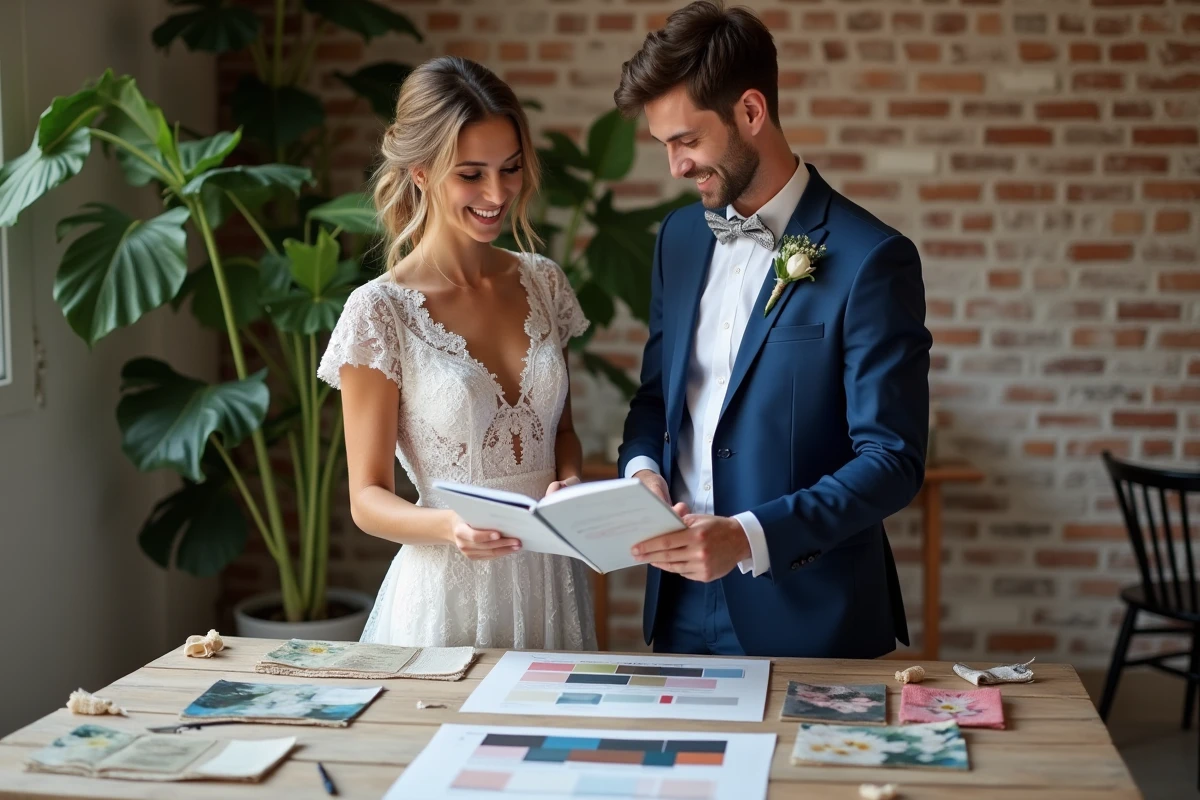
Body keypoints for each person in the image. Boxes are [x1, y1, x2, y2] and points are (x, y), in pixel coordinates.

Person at [614, 1, 932, 658]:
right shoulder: (677, 238)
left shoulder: (872, 257)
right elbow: (654, 400)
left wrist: (747, 536)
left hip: (811, 611)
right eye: (664, 144)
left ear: (751, 113)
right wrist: (642, 469)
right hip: (675, 606)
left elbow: (892, 461)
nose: (674, 166)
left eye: (687, 140)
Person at [317, 56, 596, 650]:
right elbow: (367, 499)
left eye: (511, 168)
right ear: (420, 172)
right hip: (447, 592)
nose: (497, 193)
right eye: (471, 174)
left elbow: (562, 432)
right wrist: (450, 526)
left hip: (551, 579)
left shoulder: (544, 282)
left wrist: (568, 482)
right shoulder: (379, 312)